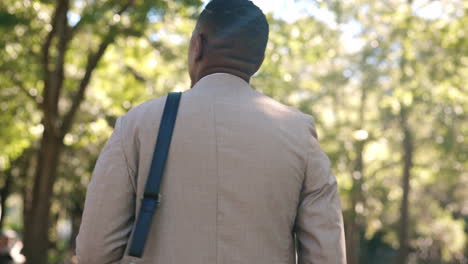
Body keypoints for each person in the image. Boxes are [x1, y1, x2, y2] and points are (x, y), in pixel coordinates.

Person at [76, 0, 346, 263]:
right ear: (259, 60)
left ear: (197, 45)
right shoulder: (299, 132)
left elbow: (93, 251)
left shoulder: (138, 124)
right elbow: (327, 255)